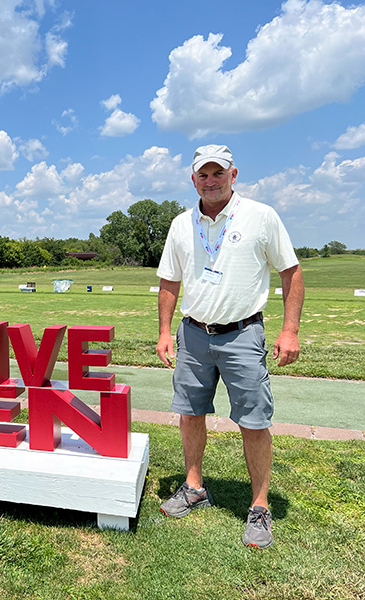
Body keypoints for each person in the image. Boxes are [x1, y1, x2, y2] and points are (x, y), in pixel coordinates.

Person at [155, 144, 304, 549]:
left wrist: (289, 331)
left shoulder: (261, 216)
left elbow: (291, 272)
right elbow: (169, 280)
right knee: (190, 413)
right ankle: (194, 487)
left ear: (233, 175)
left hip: (243, 333)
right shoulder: (181, 224)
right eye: (203, 174)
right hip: (193, 334)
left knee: (254, 421)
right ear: (193, 180)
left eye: (218, 173)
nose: (211, 181)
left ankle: (259, 506)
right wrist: (165, 332)